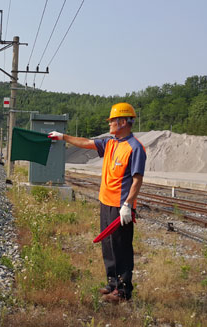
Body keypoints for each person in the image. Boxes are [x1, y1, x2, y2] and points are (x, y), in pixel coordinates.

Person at [48, 102, 146, 303]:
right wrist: (63, 137)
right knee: (108, 246)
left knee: (121, 247)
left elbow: (137, 180)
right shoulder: (111, 143)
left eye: (112, 121)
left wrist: (128, 205)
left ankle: (123, 290)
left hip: (121, 207)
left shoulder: (135, 148)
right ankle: (112, 283)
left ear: (123, 122)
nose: (109, 124)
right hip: (106, 202)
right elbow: (86, 143)